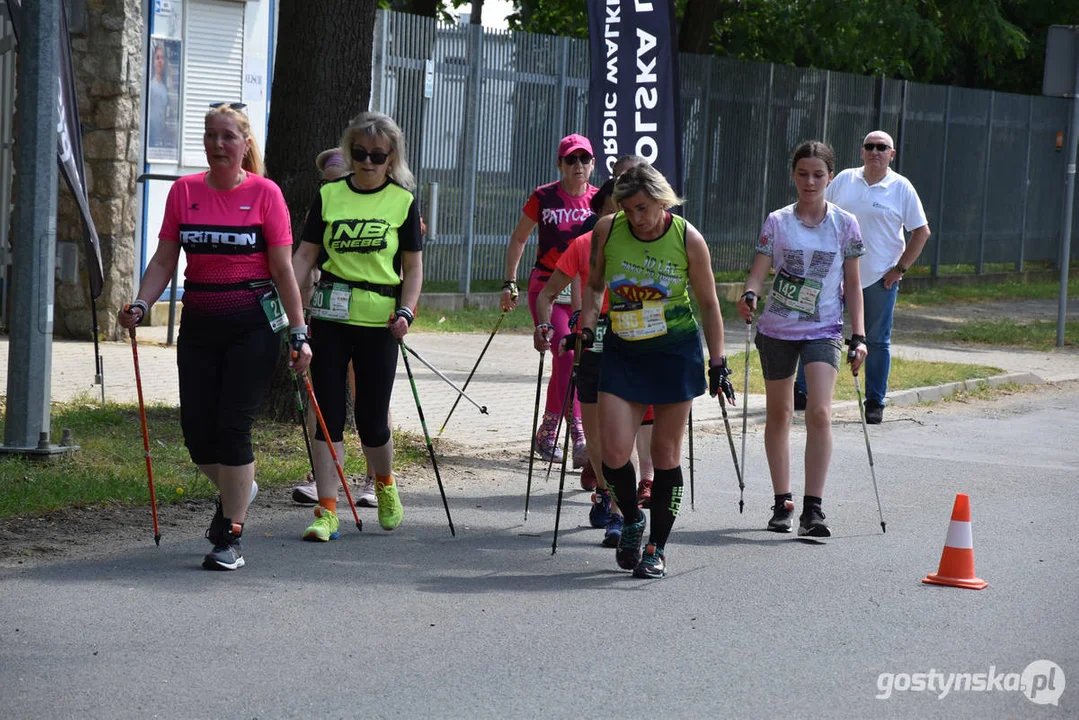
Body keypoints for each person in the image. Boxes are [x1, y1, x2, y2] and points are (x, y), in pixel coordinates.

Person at [118, 103, 311, 571]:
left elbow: (284, 269)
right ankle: (240, 486)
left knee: (232, 426)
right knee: (197, 434)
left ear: (245, 144)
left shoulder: (266, 193)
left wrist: (299, 331)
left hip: (252, 323)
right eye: (210, 136)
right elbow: (164, 260)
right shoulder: (185, 192)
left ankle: (231, 534)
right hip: (200, 322)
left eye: (228, 137)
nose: (218, 145)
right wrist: (141, 303)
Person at [579, 162, 735, 579]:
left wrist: (718, 362)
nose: (636, 219)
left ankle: (656, 548)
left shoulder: (688, 238)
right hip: (623, 351)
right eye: (627, 209)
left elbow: (709, 304)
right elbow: (595, 284)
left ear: (662, 200)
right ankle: (631, 519)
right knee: (613, 452)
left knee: (665, 454)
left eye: (643, 208)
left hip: (673, 353)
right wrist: (588, 323)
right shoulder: (607, 230)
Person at [291, 111, 422, 541]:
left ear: (391, 158)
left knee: (371, 420)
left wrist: (406, 311)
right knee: (326, 416)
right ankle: (326, 510)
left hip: (379, 320)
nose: (368, 162)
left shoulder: (402, 201)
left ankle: (383, 482)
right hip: (330, 316)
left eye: (378, 156)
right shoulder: (329, 195)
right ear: (350, 153)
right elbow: (305, 256)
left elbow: (413, 269)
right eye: (361, 154)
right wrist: (293, 308)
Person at [736, 141, 868, 539]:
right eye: (803, 174)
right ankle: (783, 502)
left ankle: (814, 507)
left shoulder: (845, 224)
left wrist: (859, 335)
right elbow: (759, 270)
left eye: (818, 174)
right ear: (793, 175)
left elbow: (854, 284)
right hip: (777, 329)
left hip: (824, 329)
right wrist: (750, 295)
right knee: (779, 414)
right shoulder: (777, 221)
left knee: (820, 412)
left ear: (830, 177)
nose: (810, 181)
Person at [794, 131, 929, 424]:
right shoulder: (844, 179)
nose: (875, 152)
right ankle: (803, 392)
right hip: (833, 274)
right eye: (870, 146)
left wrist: (900, 269)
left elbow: (922, 231)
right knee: (816, 330)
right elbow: (818, 209)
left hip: (879, 278)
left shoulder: (901, 187)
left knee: (876, 341)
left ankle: (874, 401)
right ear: (862, 151)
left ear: (892, 154)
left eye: (882, 147)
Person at [290, 148, 380, 509]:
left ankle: (374, 479)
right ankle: (321, 476)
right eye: (326, 183)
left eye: (338, 181)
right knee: (322, 395)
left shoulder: (377, 204)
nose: (332, 189)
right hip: (326, 313)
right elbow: (306, 261)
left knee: (367, 397)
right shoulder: (323, 207)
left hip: (369, 317)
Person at [501, 134, 599, 466]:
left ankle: (548, 430)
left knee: (578, 359)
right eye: (571, 160)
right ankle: (575, 435)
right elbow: (519, 238)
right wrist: (509, 282)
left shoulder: (600, 202)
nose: (578, 166)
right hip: (547, 288)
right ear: (559, 164)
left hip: (583, 292)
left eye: (584, 159)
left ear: (593, 164)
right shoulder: (544, 197)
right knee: (566, 353)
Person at [147, 42, 170, 149]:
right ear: (153, 62)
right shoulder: (151, 86)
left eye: (162, 58)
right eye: (157, 58)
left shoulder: (165, 88)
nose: (160, 61)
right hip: (151, 137)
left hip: (161, 137)